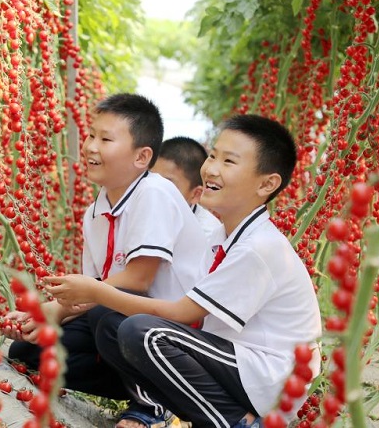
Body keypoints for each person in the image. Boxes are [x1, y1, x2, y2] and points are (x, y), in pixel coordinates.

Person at [47, 114, 323, 428]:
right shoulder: (222, 238)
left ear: (267, 184)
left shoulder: (260, 246)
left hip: (269, 376)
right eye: (214, 155)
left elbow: (181, 313)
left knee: (144, 333)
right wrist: (91, 302)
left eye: (229, 161)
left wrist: (97, 292)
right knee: (112, 319)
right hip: (238, 365)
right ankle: (161, 409)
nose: (212, 168)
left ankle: (235, 422)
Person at [4, 94, 209, 421]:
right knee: (29, 351)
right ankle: (144, 386)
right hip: (123, 323)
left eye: (106, 139)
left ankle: (153, 406)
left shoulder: (154, 192)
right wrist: (46, 315)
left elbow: (137, 281)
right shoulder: (96, 211)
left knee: (109, 314)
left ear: (142, 157)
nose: (90, 147)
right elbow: (95, 292)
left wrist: (58, 307)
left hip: (173, 337)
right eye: (90, 135)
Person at [153, 136, 222, 239]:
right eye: (152, 180)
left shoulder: (207, 235)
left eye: (167, 186)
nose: (154, 190)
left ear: (196, 194)